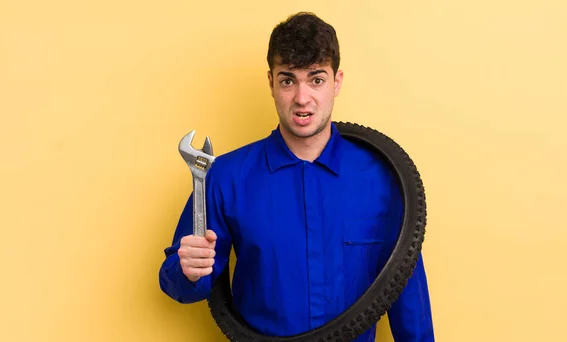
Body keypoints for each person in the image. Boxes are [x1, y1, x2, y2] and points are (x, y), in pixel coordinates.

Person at [159, 12, 434, 341]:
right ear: (271, 83)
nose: (302, 98)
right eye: (288, 80)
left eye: (316, 79)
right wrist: (187, 270)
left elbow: (407, 297)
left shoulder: (383, 181)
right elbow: (183, 283)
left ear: (337, 82)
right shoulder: (225, 177)